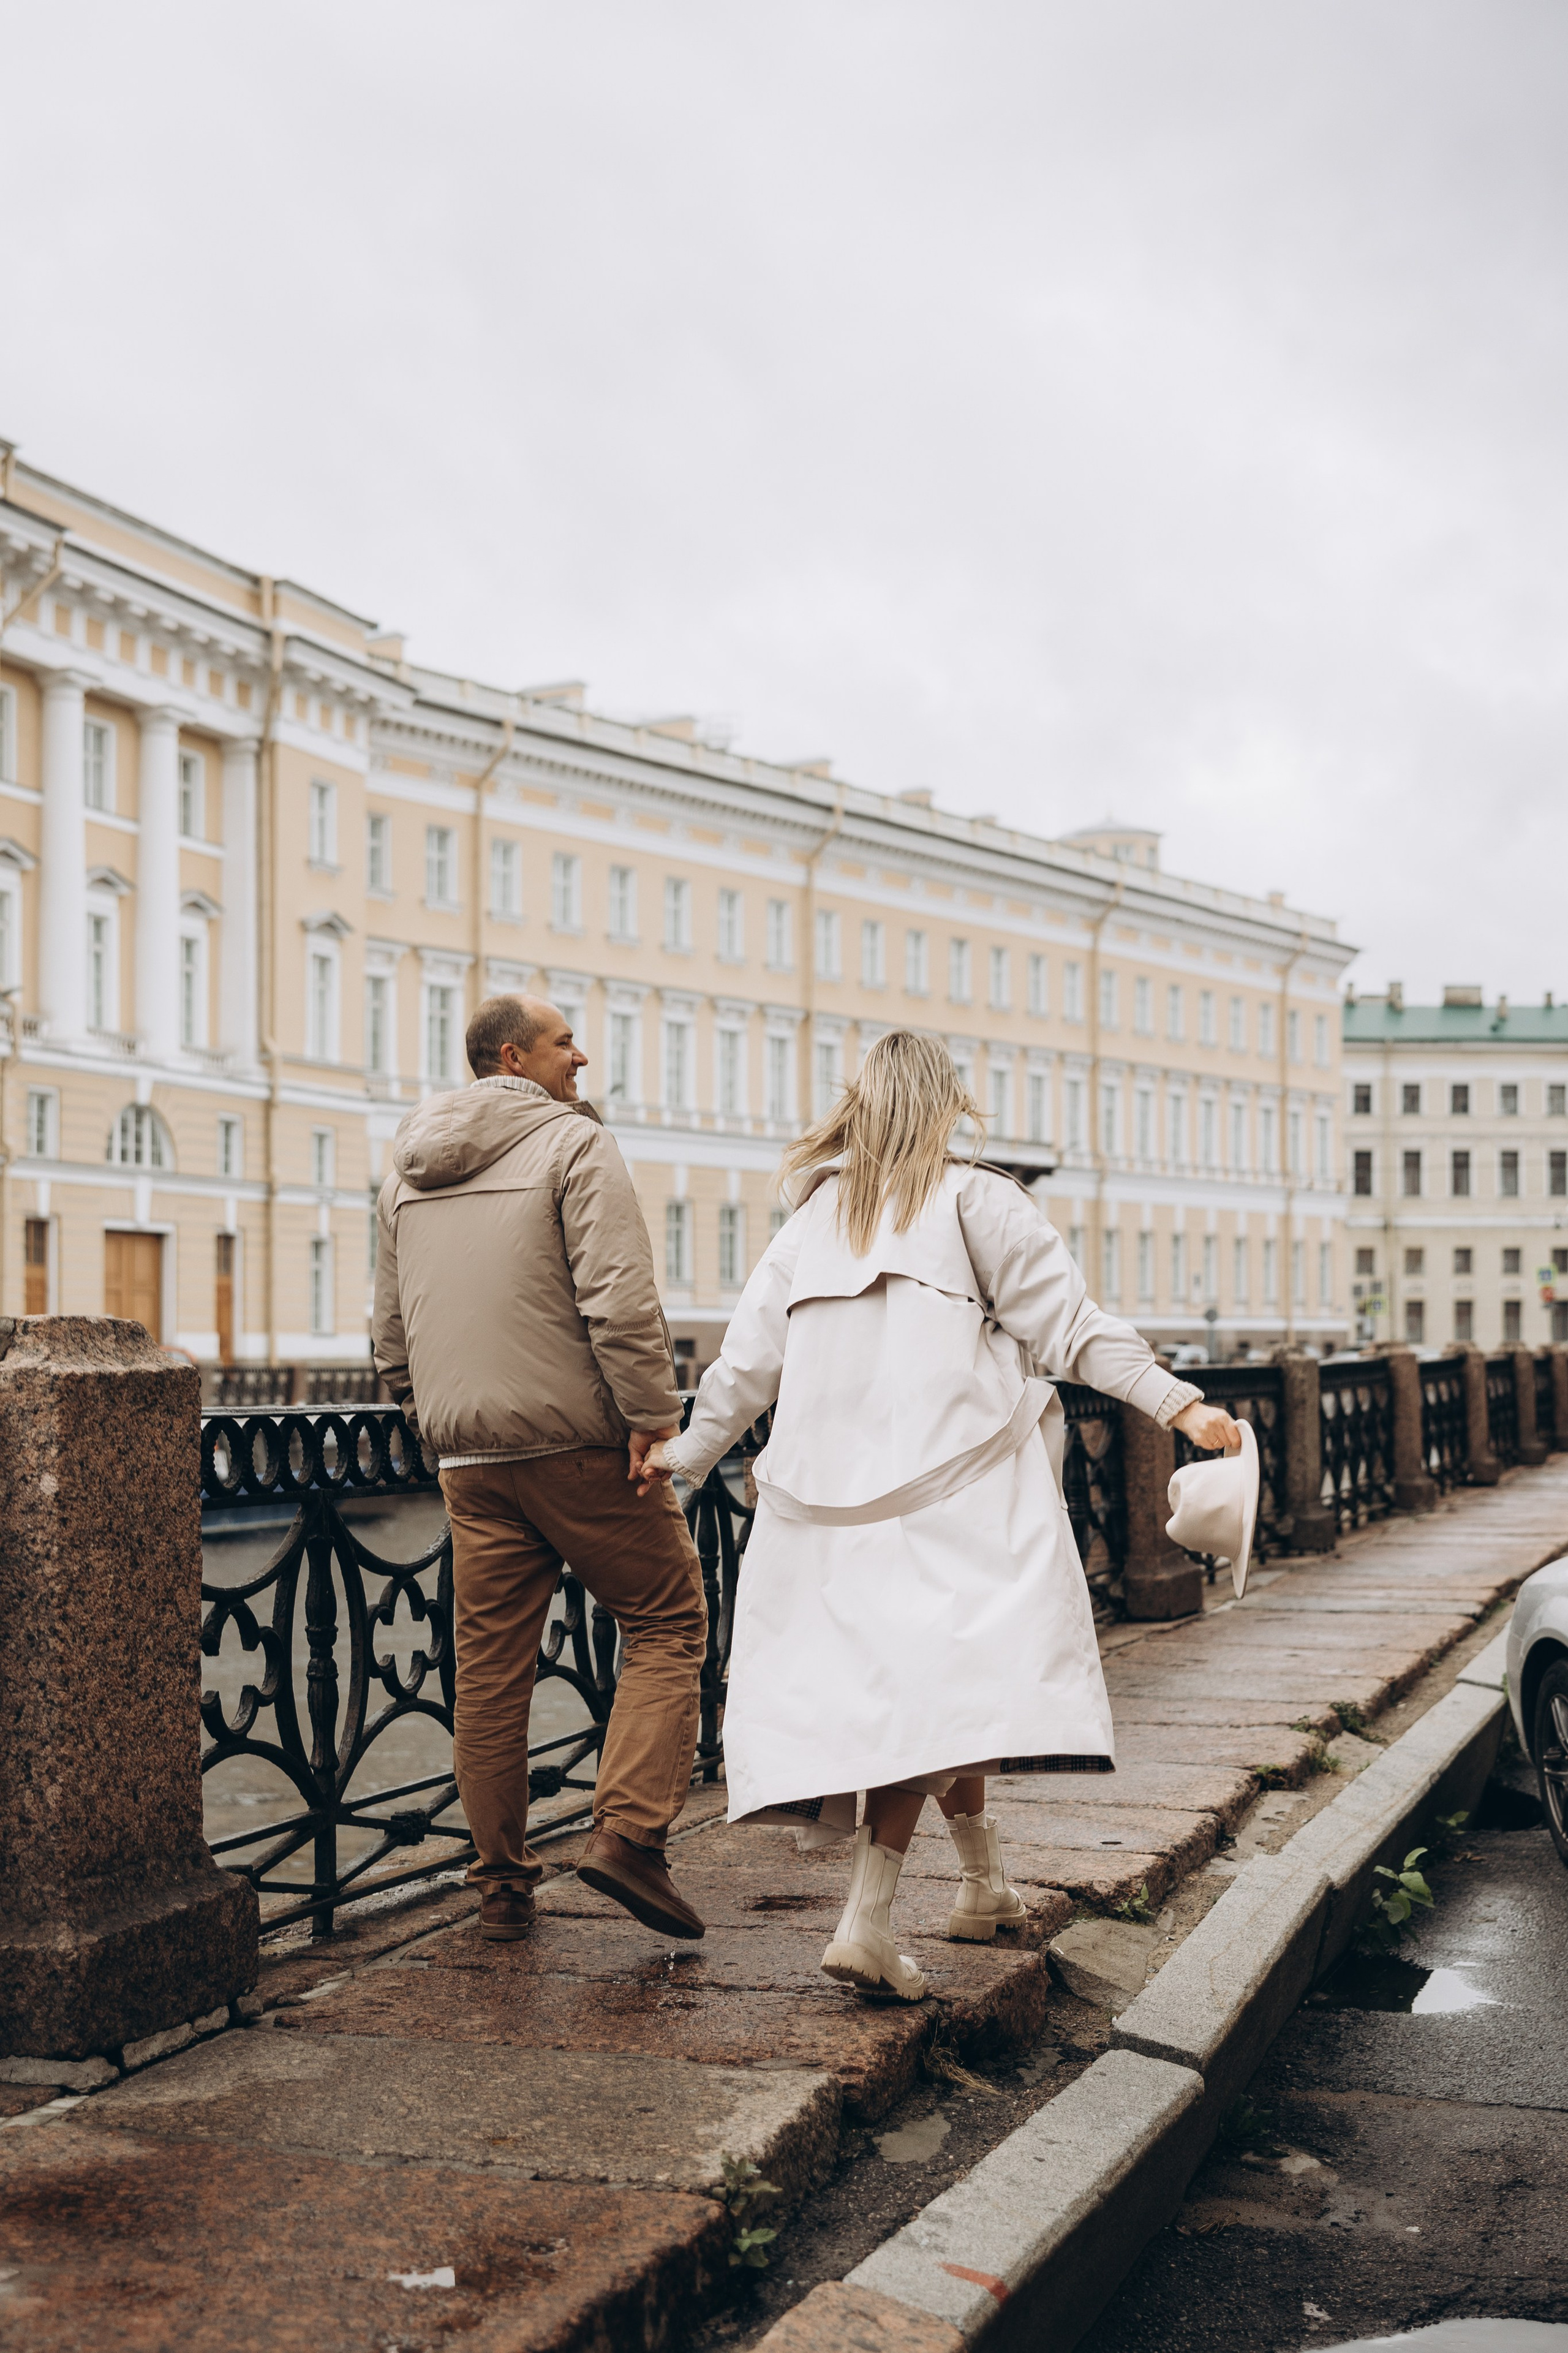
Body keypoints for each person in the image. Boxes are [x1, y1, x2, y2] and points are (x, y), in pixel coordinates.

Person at [639, 1030, 1238, 2000]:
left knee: (943, 1685)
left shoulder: (814, 1218)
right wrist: (1182, 1404)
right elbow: (1073, 1328)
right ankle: (868, 1920)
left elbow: (743, 1368)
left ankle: (982, 1883)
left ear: (863, 1105)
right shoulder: (979, 1198)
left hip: (824, 1511)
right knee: (943, 1694)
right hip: (954, 1491)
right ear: (946, 1104)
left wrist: (683, 1462)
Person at [372, 993, 709, 1944]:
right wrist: (650, 1418)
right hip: (576, 1444)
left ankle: (501, 1887)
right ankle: (629, 1836)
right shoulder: (572, 1144)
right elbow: (617, 1297)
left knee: (487, 1672)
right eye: (568, 1042)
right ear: (515, 1056)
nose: (583, 1058)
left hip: (470, 1458)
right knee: (666, 1616)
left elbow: (391, 1328)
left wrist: (428, 1421)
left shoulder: (405, 1166)